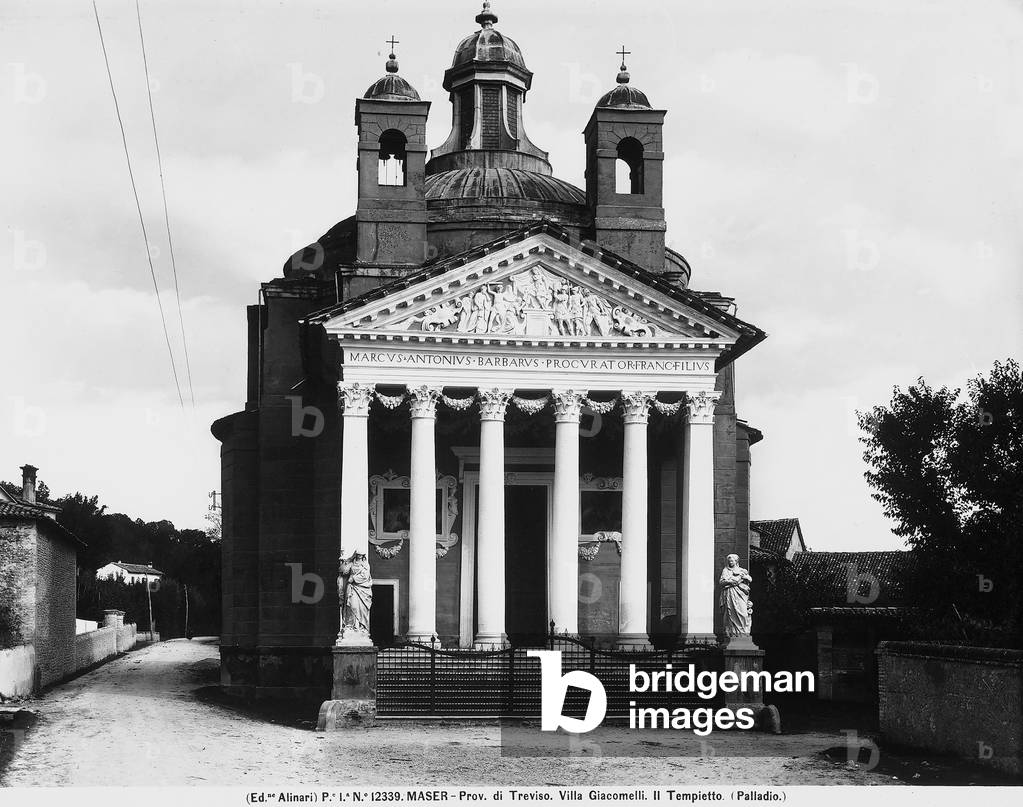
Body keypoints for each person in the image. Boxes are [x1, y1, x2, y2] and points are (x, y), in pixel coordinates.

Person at [338, 549, 373, 639]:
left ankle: (361, 626)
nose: (360, 556)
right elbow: (342, 571)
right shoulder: (352, 563)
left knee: (361, 608)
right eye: (358, 554)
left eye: (361, 555)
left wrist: (354, 578)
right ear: (356, 555)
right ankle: (350, 626)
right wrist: (346, 561)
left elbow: (365, 576)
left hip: (362, 588)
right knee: (351, 606)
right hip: (352, 588)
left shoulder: (366, 565)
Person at [719, 553, 753, 638]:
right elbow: (721, 582)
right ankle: (733, 633)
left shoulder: (742, 570)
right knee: (730, 614)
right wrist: (730, 581)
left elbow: (750, 579)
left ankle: (743, 632)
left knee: (743, 613)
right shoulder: (726, 570)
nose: (730, 562)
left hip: (741, 594)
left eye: (732, 561)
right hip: (730, 594)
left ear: (736, 561)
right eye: (729, 561)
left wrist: (743, 577)